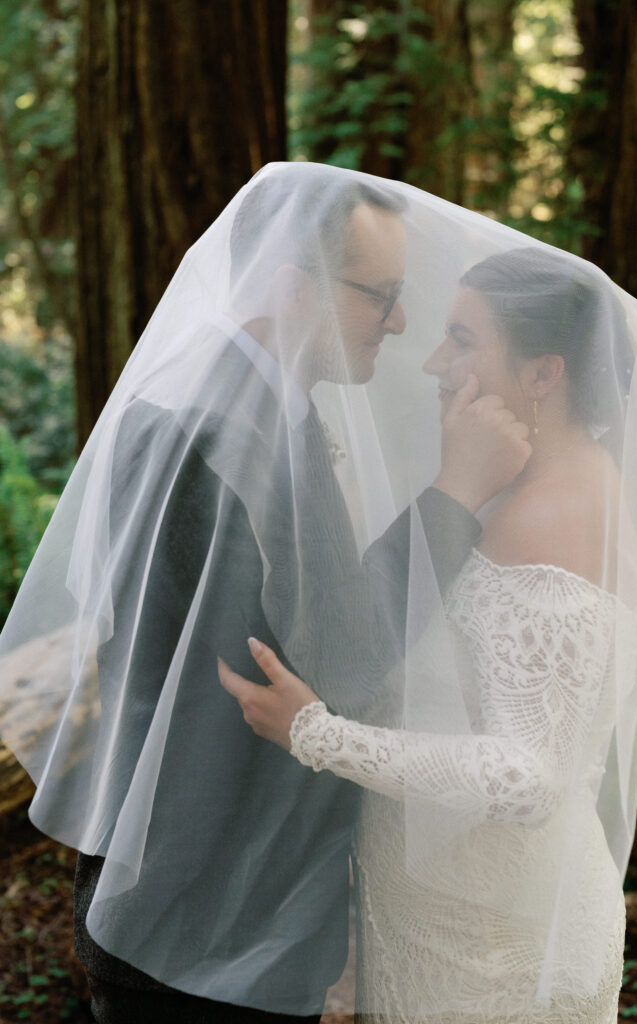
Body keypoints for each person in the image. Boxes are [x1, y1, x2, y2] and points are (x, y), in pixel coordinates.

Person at [0, 164, 531, 1023]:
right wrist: (454, 498)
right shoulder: (219, 436)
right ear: (293, 289)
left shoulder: (258, 407)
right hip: (197, 928)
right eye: (378, 295)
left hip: (216, 913)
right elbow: (324, 666)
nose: (398, 324)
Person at [219, 244, 637, 1022]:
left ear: (543, 374)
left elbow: (527, 777)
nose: (432, 361)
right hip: (438, 917)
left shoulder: (566, 515)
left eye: (463, 340)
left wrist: (317, 734)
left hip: (499, 950)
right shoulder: (509, 484)